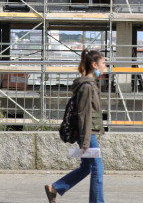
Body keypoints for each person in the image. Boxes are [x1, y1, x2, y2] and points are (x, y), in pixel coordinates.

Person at [45, 49, 106, 203]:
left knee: (86, 167)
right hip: (87, 133)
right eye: (103, 64)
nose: (105, 67)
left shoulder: (90, 84)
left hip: (87, 133)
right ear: (94, 65)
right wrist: (85, 142)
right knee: (98, 168)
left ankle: (55, 188)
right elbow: (84, 115)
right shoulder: (87, 86)